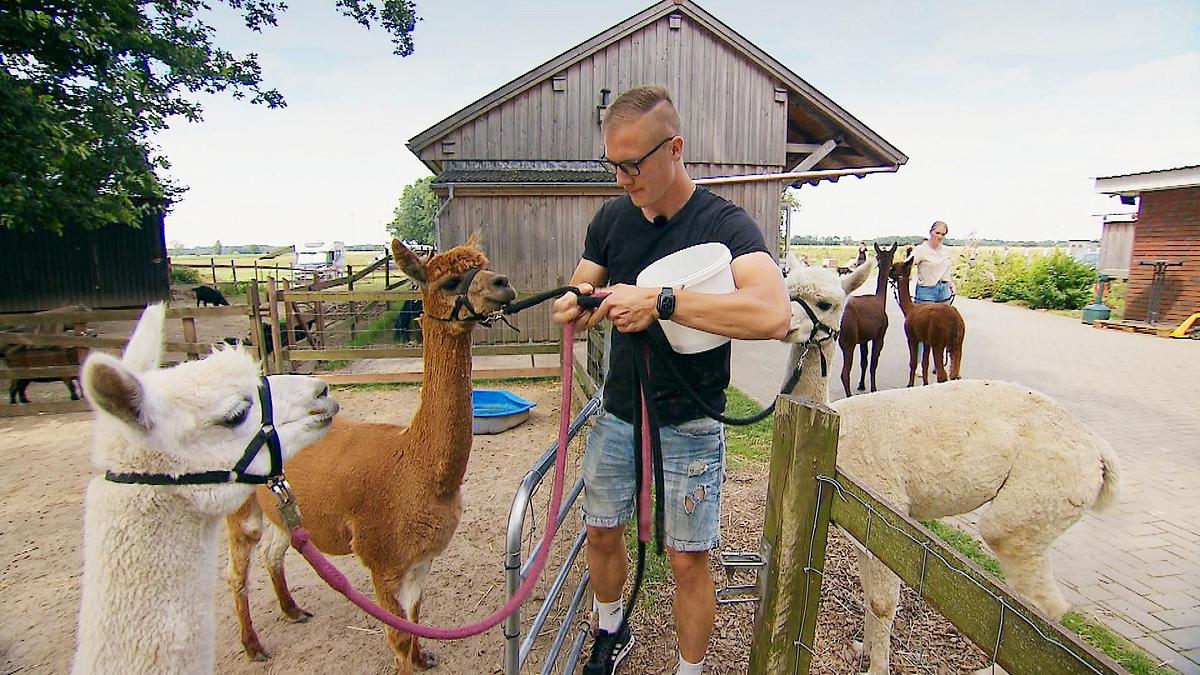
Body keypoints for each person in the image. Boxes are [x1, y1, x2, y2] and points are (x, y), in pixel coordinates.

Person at [551, 86, 790, 675]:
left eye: (632, 164)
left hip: (690, 420)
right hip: (618, 412)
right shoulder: (612, 218)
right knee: (601, 532)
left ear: (675, 148)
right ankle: (612, 628)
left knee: (688, 559)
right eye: (613, 164)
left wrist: (662, 302)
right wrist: (575, 301)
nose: (621, 178)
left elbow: (772, 313)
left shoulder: (724, 223)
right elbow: (584, 281)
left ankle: (689, 670)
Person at [911, 220, 955, 303]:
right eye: (937, 233)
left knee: (944, 316)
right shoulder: (920, 250)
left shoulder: (946, 251)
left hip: (944, 292)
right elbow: (905, 266)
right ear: (931, 232)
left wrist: (951, 284)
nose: (940, 236)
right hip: (926, 292)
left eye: (943, 234)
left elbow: (948, 270)